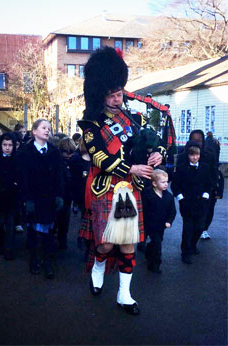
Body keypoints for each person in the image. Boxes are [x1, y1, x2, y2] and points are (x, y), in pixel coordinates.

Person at [78, 47, 165, 315]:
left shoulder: (134, 120)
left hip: (131, 190)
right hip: (107, 188)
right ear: (100, 94)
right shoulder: (91, 124)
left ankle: (124, 294)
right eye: (112, 95)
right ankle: (99, 265)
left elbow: (156, 144)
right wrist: (132, 168)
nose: (118, 99)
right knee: (105, 243)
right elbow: (99, 158)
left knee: (128, 244)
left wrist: (157, 156)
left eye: (120, 94)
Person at [18, 119, 64, 279]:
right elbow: (22, 177)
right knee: (33, 231)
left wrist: (59, 195)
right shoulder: (25, 152)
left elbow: (60, 176)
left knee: (49, 232)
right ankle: (34, 260)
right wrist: (26, 199)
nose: (47, 131)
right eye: (43, 128)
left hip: (49, 198)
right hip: (33, 198)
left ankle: (48, 262)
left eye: (49, 128)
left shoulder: (54, 151)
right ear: (34, 131)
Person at [171, 141, 212, 264]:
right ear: (188, 155)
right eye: (192, 155)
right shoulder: (182, 168)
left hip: (202, 202)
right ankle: (186, 252)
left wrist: (206, 195)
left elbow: (209, 183)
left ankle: (193, 245)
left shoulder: (205, 167)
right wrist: (180, 198)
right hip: (187, 202)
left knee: (199, 226)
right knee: (188, 228)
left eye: (197, 155)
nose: (195, 157)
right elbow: (175, 185)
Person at [177, 129, 218, 240]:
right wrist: (180, 196)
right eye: (194, 140)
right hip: (188, 196)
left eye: (199, 140)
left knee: (202, 220)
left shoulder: (209, 154)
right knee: (188, 224)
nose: (197, 143)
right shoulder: (183, 156)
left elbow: (214, 173)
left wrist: (212, 191)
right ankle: (187, 250)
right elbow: (177, 179)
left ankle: (202, 232)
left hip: (205, 193)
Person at [143, 169, 176, 273]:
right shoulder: (147, 195)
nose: (166, 184)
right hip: (148, 223)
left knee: (157, 243)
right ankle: (152, 259)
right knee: (154, 243)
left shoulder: (169, 197)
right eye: (163, 182)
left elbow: (172, 211)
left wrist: (169, 221)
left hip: (160, 225)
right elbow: (143, 209)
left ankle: (152, 258)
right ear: (154, 183)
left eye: (167, 182)